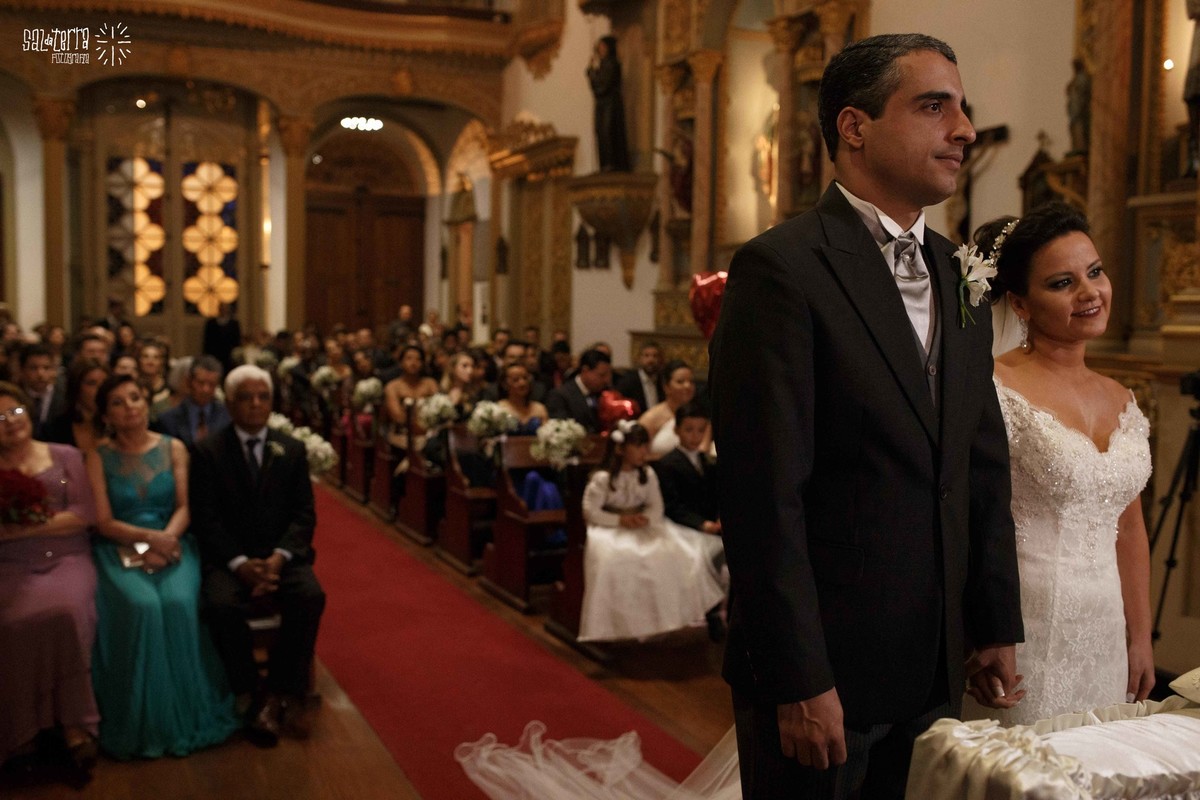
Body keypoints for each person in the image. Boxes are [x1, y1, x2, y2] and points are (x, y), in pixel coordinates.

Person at [708, 34, 1023, 798]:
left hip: (936, 662)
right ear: (854, 127)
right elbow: (763, 494)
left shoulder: (959, 273)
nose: (964, 129)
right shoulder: (782, 269)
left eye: (963, 106)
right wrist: (798, 677)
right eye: (932, 106)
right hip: (827, 671)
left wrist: (993, 623)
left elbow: (978, 467)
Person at [964, 203, 1154, 725]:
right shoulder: (993, 388)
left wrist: (1139, 637)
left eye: (1095, 272)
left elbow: (1129, 527)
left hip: (1105, 632)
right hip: (1022, 626)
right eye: (1063, 283)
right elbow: (967, 517)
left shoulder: (1122, 399)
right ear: (1020, 304)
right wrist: (977, 635)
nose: (1090, 293)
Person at [85, 373, 238, 759]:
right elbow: (102, 521)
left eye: (135, 397)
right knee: (142, 606)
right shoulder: (96, 454)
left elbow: (186, 506)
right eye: (118, 403)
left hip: (174, 540)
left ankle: (187, 714)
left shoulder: (173, 448)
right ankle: (142, 721)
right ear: (106, 415)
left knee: (174, 603)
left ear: (147, 402)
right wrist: (149, 540)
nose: (130, 407)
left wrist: (166, 539)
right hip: (118, 544)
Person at [190, 365, 325, 747]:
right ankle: (253, 691)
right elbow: (207, 518)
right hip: (230, 558)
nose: (255, 405)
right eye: (245, 398)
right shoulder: (208, 451)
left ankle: (285, 688)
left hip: (281, 556)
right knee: (220, 605)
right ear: (229, 404)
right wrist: (239, 564)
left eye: (262, 397)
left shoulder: (291, 448)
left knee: (309, 596)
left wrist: (280, 558)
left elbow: (304, 515)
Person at [0, 383, 100, 771]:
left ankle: (76, 728)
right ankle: (21, 732)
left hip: (66, 558)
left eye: (16, 413)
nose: (10, 423)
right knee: (9, 622)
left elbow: (82, 514)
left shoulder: (64, 456)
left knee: (64, 613)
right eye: (0, 418)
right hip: (9, 564)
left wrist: (19, 528)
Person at [577, 422, 725, 642]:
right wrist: (620, 520)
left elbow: (656, 506)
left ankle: (666, 618)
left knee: (672, 553)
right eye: (638, 447)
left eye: (645, 446)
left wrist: (645, 519)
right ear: (620, 449)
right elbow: (590, 511)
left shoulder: (647, 474)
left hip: (642, 525)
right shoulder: (603, 479)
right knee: (618, 557)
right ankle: (621, 622)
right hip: (611, 529)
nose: (644, 452)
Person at [156, 355, 230, 450]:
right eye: (201, 383)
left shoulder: (228, 417)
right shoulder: (167, 420)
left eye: (211, 384)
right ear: (189, 382)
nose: (205, 389)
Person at [639, 360, 706, 456]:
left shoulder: (701, 416)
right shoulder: (651, 418)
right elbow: (636, 453)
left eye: (691, 382)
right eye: (680, 382)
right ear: (666, 387)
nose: (687, 386)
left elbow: (704, 450)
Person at [42, 357, 108, 451]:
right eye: (91, 383)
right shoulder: (54, 429)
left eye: (105, 383)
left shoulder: (116, 426)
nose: (100, 389)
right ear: (76, 388)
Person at [587, 35, 631, 172]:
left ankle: (611, 163)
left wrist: (592, 73)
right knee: (600, 132)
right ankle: (604, 163)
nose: (600, 50)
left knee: (608, 132)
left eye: (602, 47)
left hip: (610, 105)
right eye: (599, 48)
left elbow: (602, 86)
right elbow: (597, 88)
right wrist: (592, 72)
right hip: (602, 105)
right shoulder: (602, 65)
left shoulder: (612, 64)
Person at [545, 348, 612, 433]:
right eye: (602, 375)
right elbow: (561, 430)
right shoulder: (560, 395)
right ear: (585, 370)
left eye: (608, 375)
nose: (607, 380)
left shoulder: (604, 393)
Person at [496, 362, 548, 435]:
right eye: (516, 380)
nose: (522, 383)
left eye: (525, 378)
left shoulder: (540, 408)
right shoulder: (498, 409)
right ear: (504, 384)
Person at [614, 341, 663, 417]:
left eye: (655, 356)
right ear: (640, 358)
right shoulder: (628, 382)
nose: (651, 360)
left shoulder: (663, 381)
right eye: (646, 356)